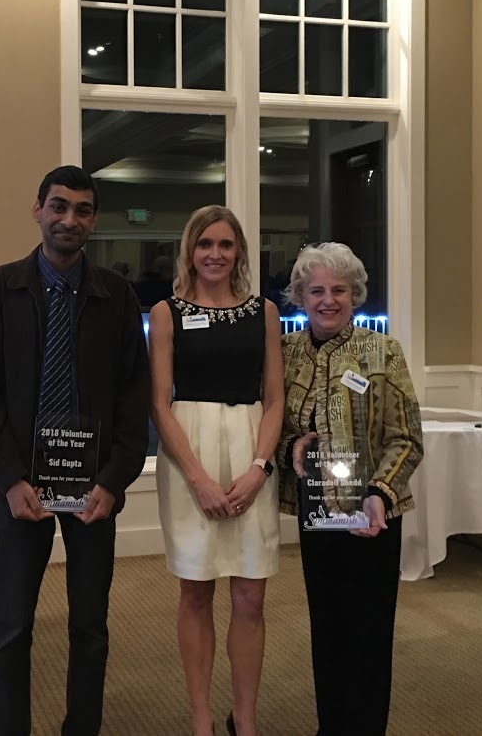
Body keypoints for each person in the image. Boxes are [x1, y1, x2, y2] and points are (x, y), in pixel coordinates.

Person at [0, 165, 151, 736]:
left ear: (93, 219)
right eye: (59, 206)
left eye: (82, 209)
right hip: (21, 486)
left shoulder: (116, 296)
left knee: (90, 625)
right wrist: (11, 478)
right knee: (13, 624)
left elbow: (133, 395)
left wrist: (113, 480)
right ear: (38, 210)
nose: (70, 219)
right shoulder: (0, 288)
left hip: (94, 490)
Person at [277, 242, 423, 736]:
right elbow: (274, 431)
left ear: (354, 294)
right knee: (327, 626)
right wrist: (293, 446)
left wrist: (379, 492)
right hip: (317, 514)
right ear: (300, 296)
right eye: (316, 290)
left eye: (339, 289)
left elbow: (407, 438)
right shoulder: (285, 353)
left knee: (369, 630)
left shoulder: (383, 351)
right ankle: (331, 725)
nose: (328, 300)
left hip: (373, 514)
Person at [148, 205, 284, 736]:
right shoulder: (166, 312)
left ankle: (244, 718)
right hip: (190, 455)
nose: (215, 254)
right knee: (197, 590)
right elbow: (160, 403)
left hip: (251, 448)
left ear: (240, 253)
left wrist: (259, 469)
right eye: (206, 244)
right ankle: (202, 718)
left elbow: (274, 400)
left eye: (226, 245)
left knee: (251, 593)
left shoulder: (264, 313)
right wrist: (199, 479)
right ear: (189, 250)